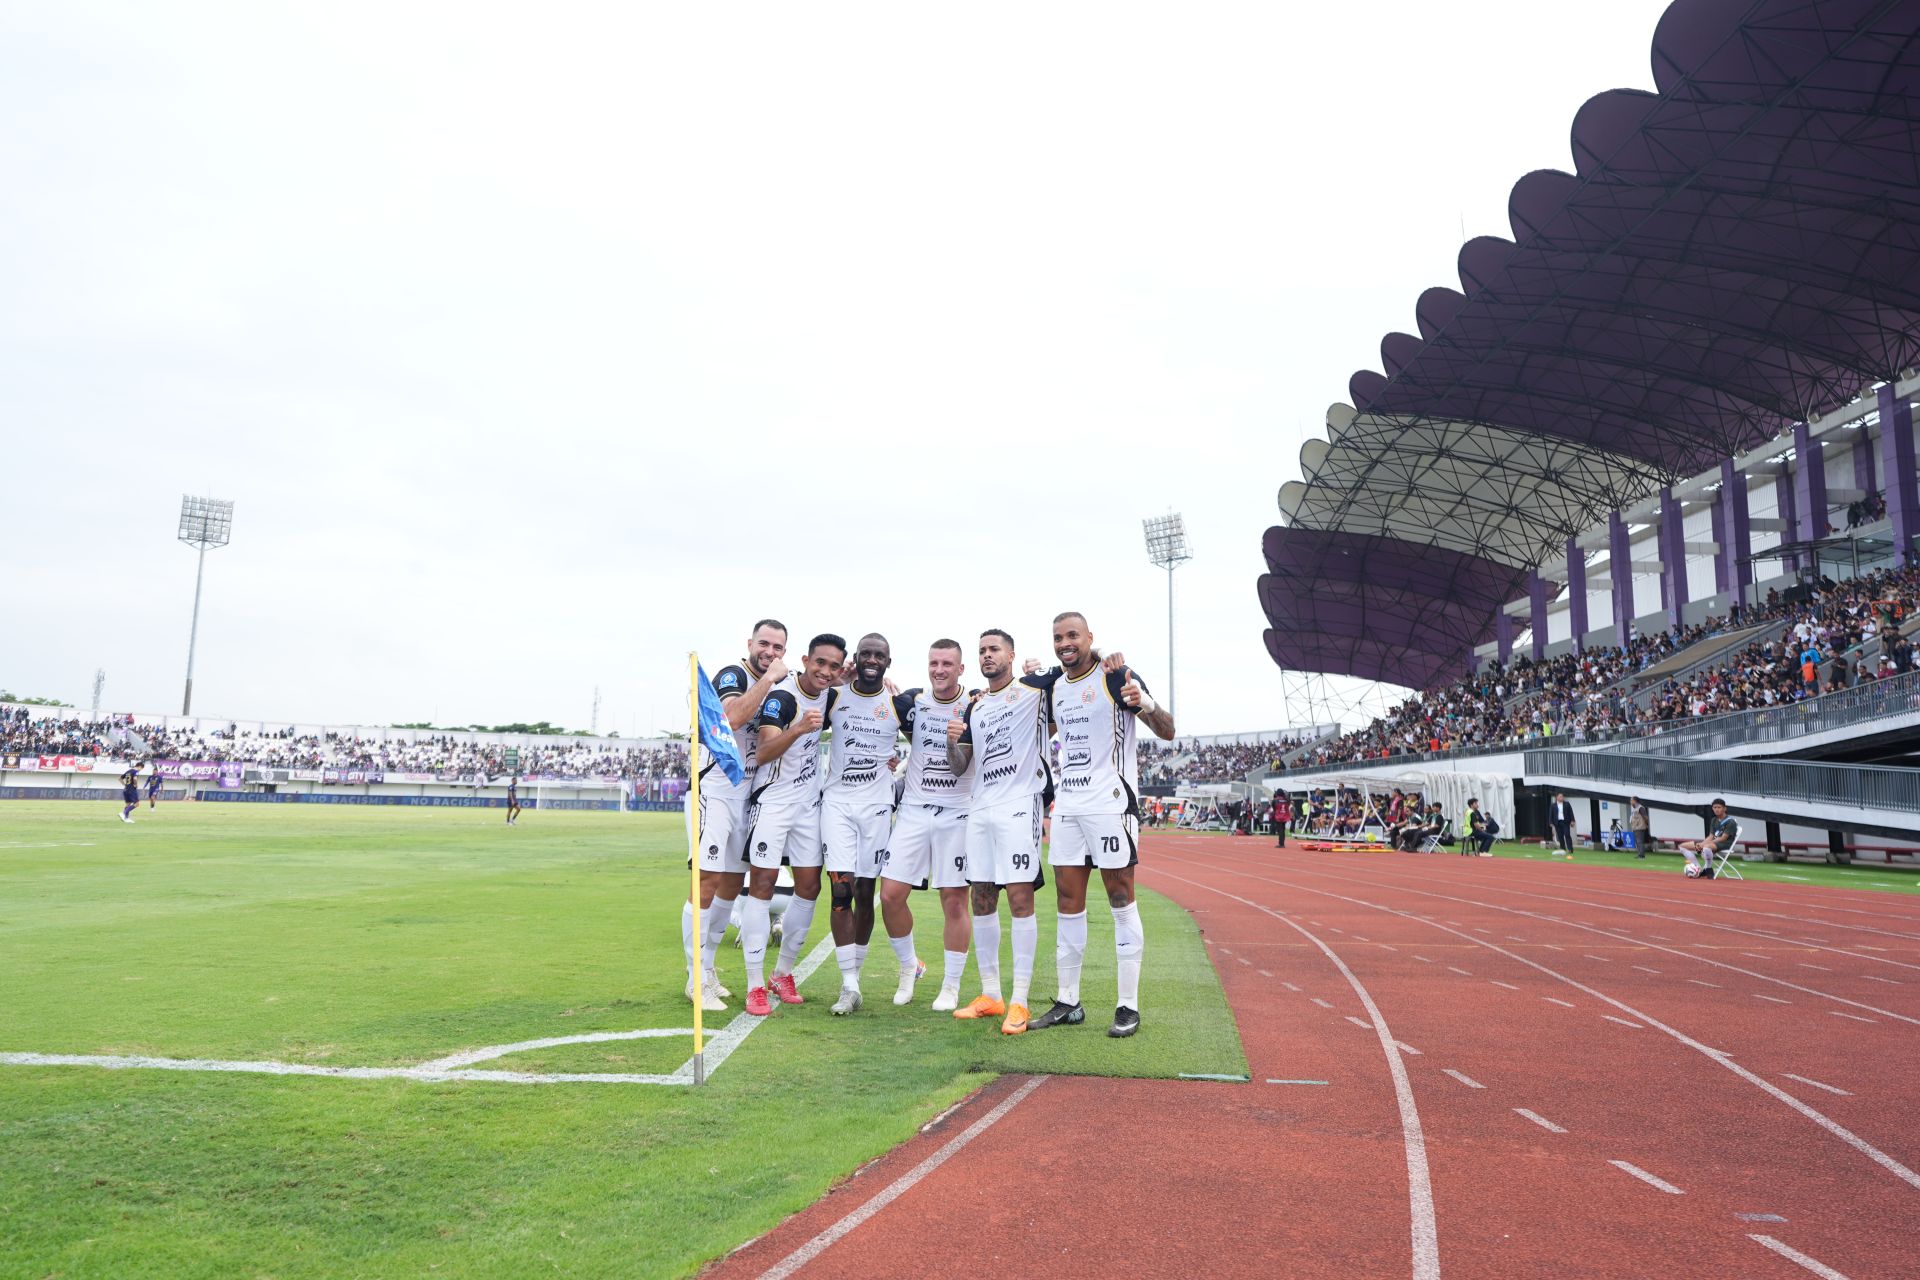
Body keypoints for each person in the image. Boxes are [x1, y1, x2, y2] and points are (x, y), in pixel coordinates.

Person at [1031, 613, 1174, 1039]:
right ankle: (1068, 1001)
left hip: (1111, 804)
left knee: (1120, 898)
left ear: (1089, 637)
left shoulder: (1115, 676)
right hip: (1068, 805)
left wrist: (1146, 703)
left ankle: (1128, 1006)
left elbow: (1167, 730)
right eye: (1058, 637)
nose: (1065, 643)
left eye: (1073, 635)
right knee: (1067, 900)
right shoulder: (1055, 686)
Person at [945, 629, 1056, 1036]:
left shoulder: (1033, 691)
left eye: (994, 649)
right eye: (982, 651)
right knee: (982, 897)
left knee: (1020, 897)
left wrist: (1040, 671)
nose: (987, 655)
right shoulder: (975, 707)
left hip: (1020, 804)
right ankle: (991, 994)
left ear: (1011, 654)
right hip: (981, 807)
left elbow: (1071, 676)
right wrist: (950, 742)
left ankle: (1020, 1000)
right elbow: (959, 766)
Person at [684, 619, 789, 1012]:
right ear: (750, 643)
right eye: (764, 644)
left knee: (730, 885)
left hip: (745, 796)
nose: (770, 652)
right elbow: (731, 719)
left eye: (777, 647)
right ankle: (694, 978)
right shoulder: (734, 675)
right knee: (706, 882)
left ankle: (709, 968)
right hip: (713, 792)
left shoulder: (779, 683)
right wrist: (769, 679)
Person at [739, 633, 844, 1017]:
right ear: (805, 660)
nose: (825, 671)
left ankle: (782, 973)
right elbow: (764, 752)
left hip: (808, 805)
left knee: (810, 886)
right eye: (820, 663)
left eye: (834, 666)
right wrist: (798, 729)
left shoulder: (831, 696)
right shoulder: (783, 698)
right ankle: (754, 984)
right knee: (763, 884)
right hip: (773, 801)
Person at [880, 640, 976, 1011]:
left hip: (957, 811)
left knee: (953, 900)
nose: (939, 670)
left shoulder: (974, 704)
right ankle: (910, 966)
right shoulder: (913, 701)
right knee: (890, 895)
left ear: (960, 669)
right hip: (914, 810)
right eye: (934, 663)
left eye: (947, 664)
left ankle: (951, 986)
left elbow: (964, 764)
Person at [820, 633, 905, 1016]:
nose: (872, 660)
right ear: (856, 658)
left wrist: (898, 764)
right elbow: (804, 703)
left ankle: (855, 972)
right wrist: (836, 681)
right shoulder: (834, 697)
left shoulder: (898, 702)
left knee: (865, 890)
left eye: (879, 655)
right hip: (837, 804)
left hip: (876, 806)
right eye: (866, 654)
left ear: (888, 662)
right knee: (840, 890)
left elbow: (929, 741)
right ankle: (849, 985)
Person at [1676, 798, 1738, 878]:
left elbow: (1723, 838)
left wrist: (1705, 845)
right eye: (1714, 807)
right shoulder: (1714, 820)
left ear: (1724, 808)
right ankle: (1698, 868)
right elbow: (1711, 836)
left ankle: (1708, 869)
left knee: (1706, 847)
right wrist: (1701, 844)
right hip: (1713, 843)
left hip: (1724, 844)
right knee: (1682, 846)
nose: (1716, 809)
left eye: (1719, 807)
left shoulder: (1730, 822)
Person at [1549, 792, 1576, 856]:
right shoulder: (1553, 805)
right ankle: (1563, 848)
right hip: (1557, 822)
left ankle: (1570, 849)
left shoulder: (1567, 804)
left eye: (1562, 796)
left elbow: (1571, 812)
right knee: (1560, 836)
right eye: (1560, 796)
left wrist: (1572, 820)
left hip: (1565, 822)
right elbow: (1551, 814)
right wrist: (1551, 822)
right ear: (1557, 797)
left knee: (1567, 835)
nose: (1562, 798)